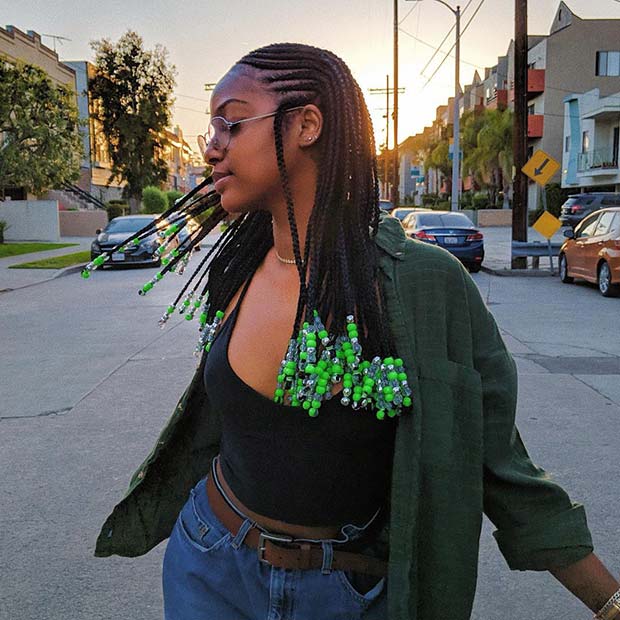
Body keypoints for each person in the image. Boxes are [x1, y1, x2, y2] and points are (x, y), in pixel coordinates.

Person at [95, 43, 620, 620]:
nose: (212, 146)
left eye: (231, 121)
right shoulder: (236, 267)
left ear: (307, 125)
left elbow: (500, 463)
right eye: (210, 128)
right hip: (209, 565)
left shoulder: (422, 286)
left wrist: (609, 601)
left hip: (347, 593)